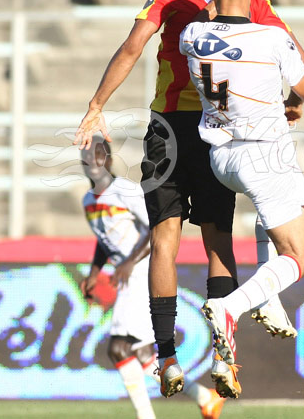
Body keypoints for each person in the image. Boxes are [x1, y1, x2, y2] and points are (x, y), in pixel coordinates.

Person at [73, 0, 303, 398]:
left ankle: (167, 358)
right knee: (219, 240)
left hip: (168, 128)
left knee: (165, 240)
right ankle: (225, 356)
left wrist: (96, 107)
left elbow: (134, 46)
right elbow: (294, 54)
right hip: (219, 132)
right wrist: (292, 102)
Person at [180, 0, 304, 398]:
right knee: (300, 257)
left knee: (272, 215)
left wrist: (213, 2)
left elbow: (211, 30)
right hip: (264, 155)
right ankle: (230, 308)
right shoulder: (271, 38)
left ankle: (268, 301)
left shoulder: (191, 36)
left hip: (221, 158)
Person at [78, 136, 225, 419]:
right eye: (86, 158)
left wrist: (129, 263)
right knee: (143, 354)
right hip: (126, 276)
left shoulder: (124, 191)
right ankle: (205, 398)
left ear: (107, 159)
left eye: (97, 156)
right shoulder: (89, 200)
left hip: (143, 271)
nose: (91, 163)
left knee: (120, 348)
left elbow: (154, 230)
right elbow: (103, 239)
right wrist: (95, 273)